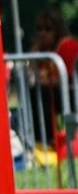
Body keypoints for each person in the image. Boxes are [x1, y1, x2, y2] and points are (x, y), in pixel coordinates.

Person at [28, 8, 78, 145]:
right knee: (35, 93)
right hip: (56, 93)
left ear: (58, 29)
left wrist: (42, 81)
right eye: (39, 29)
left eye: (48, 29)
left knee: (41, 93)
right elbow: (32, 76)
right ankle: (41, 140)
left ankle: (48, 140)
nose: (42, 33)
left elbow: (67, 77)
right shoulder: (44, 50)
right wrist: (34, 52)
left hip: (72, 92)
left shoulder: (68, 46)